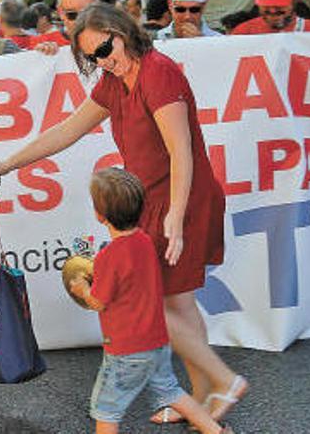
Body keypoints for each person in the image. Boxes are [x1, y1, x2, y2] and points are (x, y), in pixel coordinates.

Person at [0, 4, 247, 426]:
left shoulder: (158, 73)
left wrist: (175, 218)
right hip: (151, 202)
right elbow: (65, 131)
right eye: (94, 56)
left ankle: (224, 380)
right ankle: (205, 394)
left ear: (122, 31)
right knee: (176, 302)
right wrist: (6, 164)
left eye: (107, 47)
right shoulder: (113, 81)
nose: (105, 59)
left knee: (156, 305)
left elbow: (182, 153)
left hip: (182, 198)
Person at [69, 167, 234, 434]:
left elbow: (98, 302)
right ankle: (217, 431)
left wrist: (81, 289)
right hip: (157, 342)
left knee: (106, 410)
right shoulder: (145, 241)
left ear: (100, 216)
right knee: (172, 393)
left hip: (125, 351)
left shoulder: (108, 257)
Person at [31, 0, 99, 52]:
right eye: (73, 15)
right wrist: (40, 56)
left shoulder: (111, 37)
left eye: (88, 11)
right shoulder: (42, 42)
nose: (81, 20)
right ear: (61, 13)